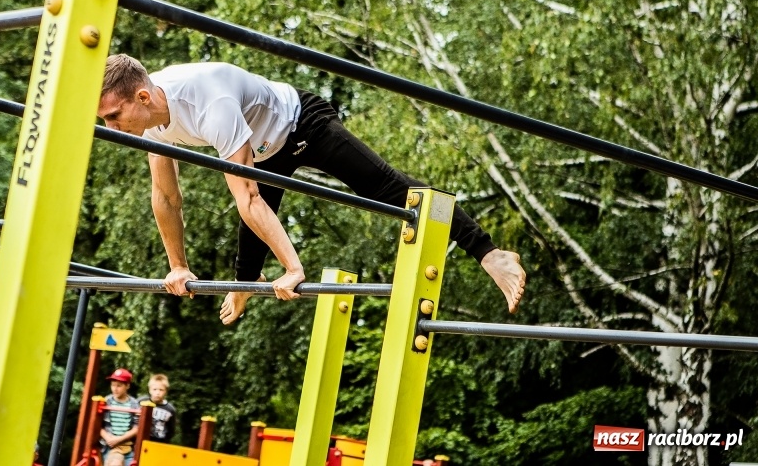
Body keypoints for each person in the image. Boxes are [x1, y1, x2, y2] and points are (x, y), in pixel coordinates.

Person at [97, 54, 527, 324]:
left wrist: (294, 268)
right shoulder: (150, 123)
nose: (110, 128)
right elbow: (166, 196)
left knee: (386, 188)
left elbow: (248, 197)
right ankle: (246, 280)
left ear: (143, 97)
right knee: (251, 226)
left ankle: (490, 253)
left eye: (114, 116)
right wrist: (178, 266)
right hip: (261, 148)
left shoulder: (209, 103)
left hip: (302, 124)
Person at [100, 368, 140, 466]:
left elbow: (137, 427)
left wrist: (119, 439)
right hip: (109, 445)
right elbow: (98, 425)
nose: (115, 389)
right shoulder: (106, 401)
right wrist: (107, 438)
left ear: (127, 386)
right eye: (113, 385)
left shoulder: (134, 404)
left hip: (127, 446)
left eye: (119, 385)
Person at [136, 373, 177, 443]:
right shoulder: (141, 402)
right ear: (150, 390)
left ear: (166, 391)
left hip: (160, 441)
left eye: (161, 390)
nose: (157, 393)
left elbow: (171, 430)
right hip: (141, 439)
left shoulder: (170, 409)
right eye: (154, 389)